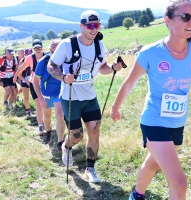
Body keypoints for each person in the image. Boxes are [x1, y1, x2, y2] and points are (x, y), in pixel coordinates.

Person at [110, 1, 191, 199]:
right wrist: (115, 108)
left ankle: (136, 194)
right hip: (154, 121)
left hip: (178, 122)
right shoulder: (151, 53)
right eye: (185, 16)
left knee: (154, 163)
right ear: (168, 21)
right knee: (179, 184)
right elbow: (129, 83)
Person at [47, 10, 123, 183]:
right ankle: (66, 146)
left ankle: (90, 168)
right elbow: (52, 66)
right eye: (90, 26)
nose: (94, 29)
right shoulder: (67, 45)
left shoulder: (99, 45)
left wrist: (112, 67)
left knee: (94, 131)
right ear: (81, 26)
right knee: (76, 136)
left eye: (97, 25)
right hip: (70, 97)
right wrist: (63, 78)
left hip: (90, 97)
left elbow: (102, 67)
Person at [33, 40, 65, 149]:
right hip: (46, 94)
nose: (55, 52)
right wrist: (40, 98)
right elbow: (34, 80)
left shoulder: (65, 60)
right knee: (47, 117)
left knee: (60, 116)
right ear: (50, 50)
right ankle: (48, 132)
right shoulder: (43, 62)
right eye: (53, 50)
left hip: (59, 93)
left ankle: (60, 142)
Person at [13, 39, 46, 136]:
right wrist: (15, 76)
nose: (38, 49)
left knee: (46, 104)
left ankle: (46, 122)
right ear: (33, 49)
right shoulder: (29, 58)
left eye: (39, 47)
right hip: (34, 83)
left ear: (42, 47)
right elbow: (21, 68)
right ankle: (40, 125)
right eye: (36, 48)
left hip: (45, 83)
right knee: (39, 104)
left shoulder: (47, 56)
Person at [17, 48, 32, 118]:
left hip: (33, 80)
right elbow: (19, 74)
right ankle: (28, 112)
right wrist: (26, 81)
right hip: (24, 80)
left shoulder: (34, 59)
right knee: (26, 97)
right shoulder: (22, 61)